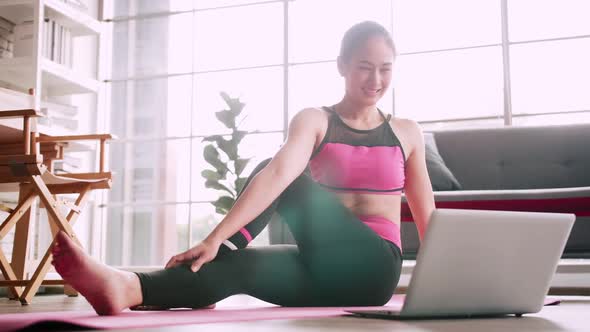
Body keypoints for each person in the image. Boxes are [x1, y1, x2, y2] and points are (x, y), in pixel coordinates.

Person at [51, 20, 435, 316]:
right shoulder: (315, 120)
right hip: (325, 270)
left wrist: (447, 284)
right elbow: (276, 175)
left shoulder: (407, 132)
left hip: (375, 270)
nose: (376, 80)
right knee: (236, 269)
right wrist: (215, 240)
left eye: (385, 69)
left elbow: (427, 218)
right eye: (365, 67)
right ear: (342, 66)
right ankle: (125, 287)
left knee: (281, 179)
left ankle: (220, 248)